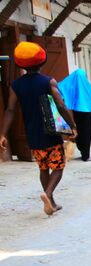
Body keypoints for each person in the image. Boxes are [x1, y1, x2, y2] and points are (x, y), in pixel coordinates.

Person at [0, 42, 77, 215]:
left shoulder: (16, 85)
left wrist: (2, 134)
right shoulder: (48, 82)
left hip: (32, 134)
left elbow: (10, 109)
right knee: (58, 166)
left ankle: (51, 202)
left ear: (20, 64)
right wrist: (72, 126)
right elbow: (61, 105)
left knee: (43, 167)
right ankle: (48, 193)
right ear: (42, 62)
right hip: (50, 132)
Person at [57, 69, 91, 161]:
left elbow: (60, 86)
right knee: (86, 132)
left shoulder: (73, 83)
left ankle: (82, 150)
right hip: (86, 112)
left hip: (77, 110)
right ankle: (86, 155)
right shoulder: (86, 85)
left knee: (78, 130)